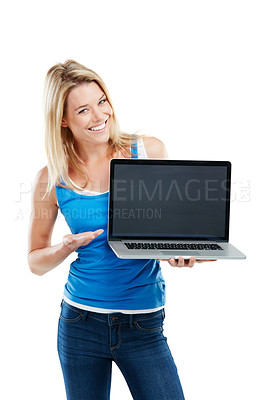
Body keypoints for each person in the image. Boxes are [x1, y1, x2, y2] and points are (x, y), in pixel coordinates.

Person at [28, 60, 209, 400]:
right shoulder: (51, 179)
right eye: (83, 110)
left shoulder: (147, 151)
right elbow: (35, 261)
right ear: (63, 120)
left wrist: (177, 252)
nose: (99, 116)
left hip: (143, 324)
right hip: (79, 323)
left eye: (101, 101)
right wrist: (65, 248)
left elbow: (165, 232)